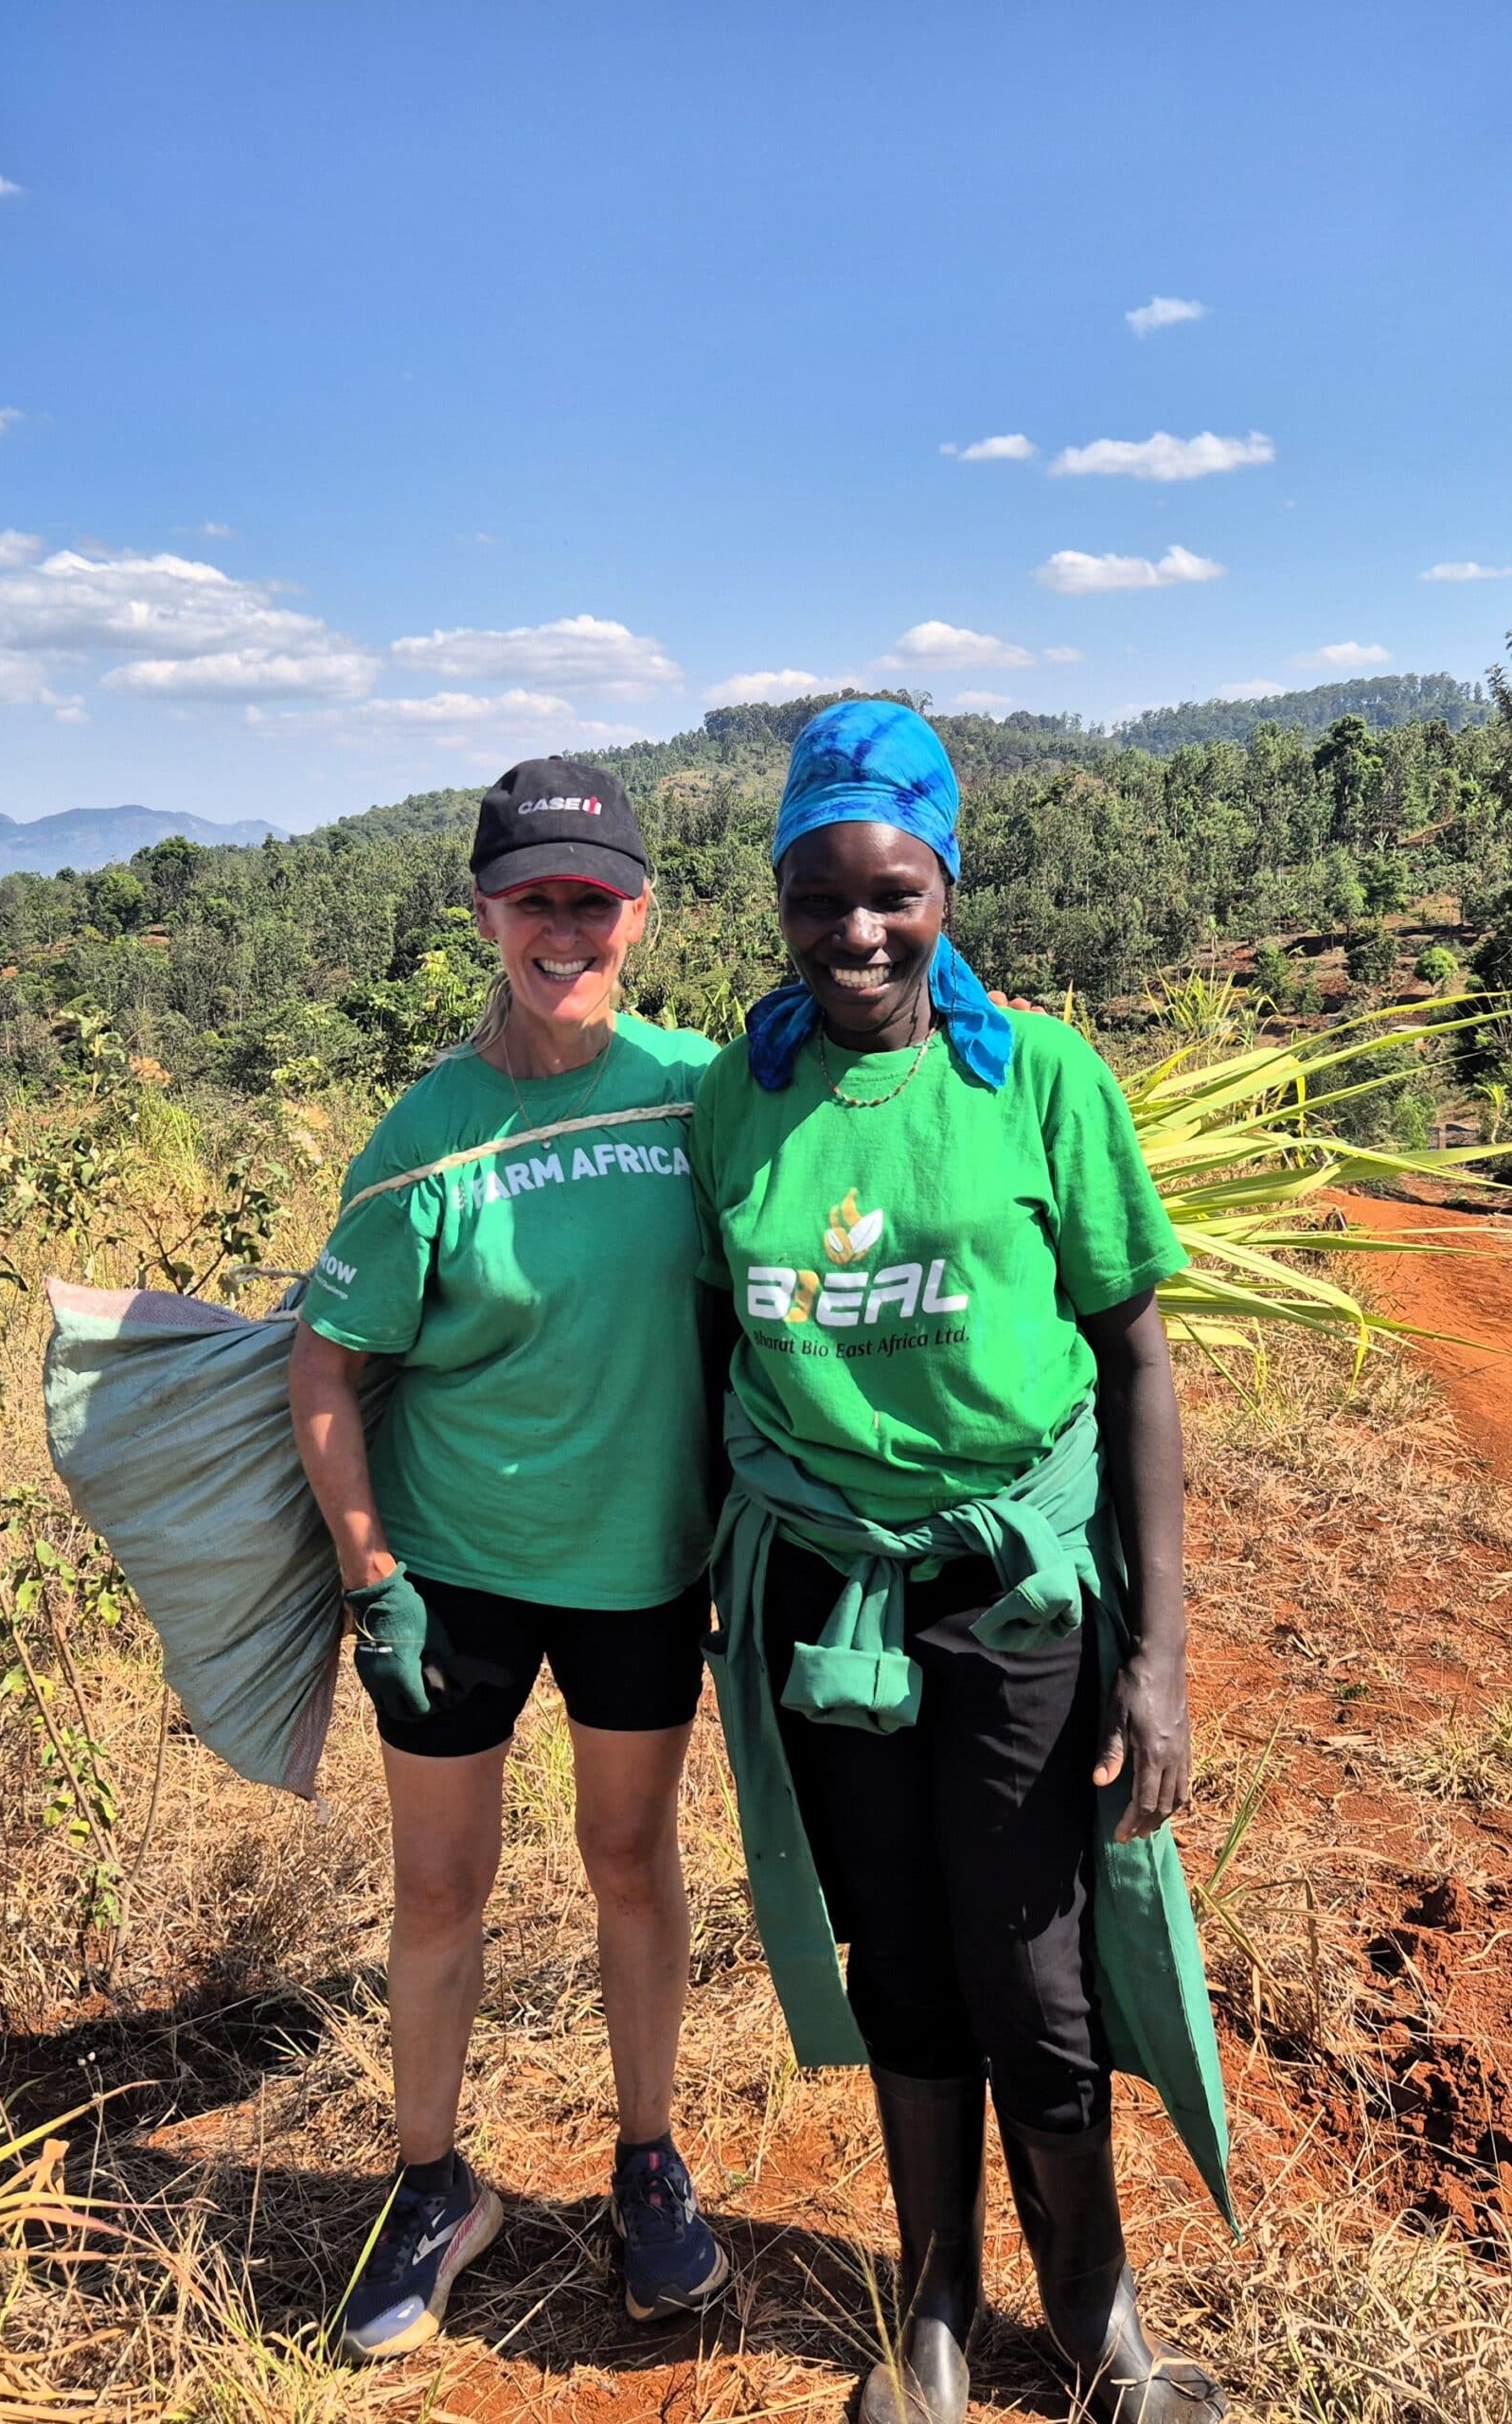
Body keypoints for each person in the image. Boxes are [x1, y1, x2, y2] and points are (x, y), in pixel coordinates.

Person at [689, 702, 1232, 2424]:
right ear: (779, 903)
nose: (856, 933)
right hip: (819, 1599)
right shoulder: (738, 1098)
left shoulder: (1043, 1080)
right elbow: (715, 1351)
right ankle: (933, 2306)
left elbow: (1133, 1354)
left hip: (1009, 1594)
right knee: (899, 1958)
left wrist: (1153, 1659)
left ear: (942, 886)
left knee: (1033, 1963)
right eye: (819, 900)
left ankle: (1093, 2318)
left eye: (891, 894)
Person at [289, 758, 729, 2362]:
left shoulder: (701, 1095)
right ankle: (429, 2186)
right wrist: (370, 1573)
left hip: (640, 1565)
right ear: (484, 913)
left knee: (630, 1861)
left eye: (591, 897)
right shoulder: (427, 1134)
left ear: (639, 913)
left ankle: (646, 2161)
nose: (563, 925)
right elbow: (327, 1365)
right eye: (532, 896)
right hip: (457, 1569)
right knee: (437, 1882)